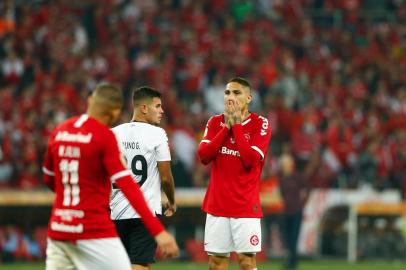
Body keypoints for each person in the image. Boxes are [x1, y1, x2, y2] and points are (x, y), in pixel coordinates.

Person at [42, 83, 179, 270]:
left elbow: (49, 178)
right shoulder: (105, 137)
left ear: (90, 101)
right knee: (136, 265)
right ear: (114, 112)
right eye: (158, 106)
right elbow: (129, 184)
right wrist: (160, 230)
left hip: (63, 225)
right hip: (96, 225)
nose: (162, 111)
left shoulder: (61, 131)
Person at [197, 77, 272, 270]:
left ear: (249, 98)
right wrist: (226, 128)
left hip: (245, 205)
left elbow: (250, 160)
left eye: (237, 93)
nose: (231, 97)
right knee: (216, 263)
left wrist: (236, 125)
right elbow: (204, 156)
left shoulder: (260, 124)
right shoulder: (215, 122)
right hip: (217, 205)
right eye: (227, 92)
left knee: (246, 262)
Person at [110, 86, 176, 270]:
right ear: (144, 108)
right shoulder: (157, 134)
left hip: (116, 212)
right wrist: (171, 199)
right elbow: (166, 178)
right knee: (140, 264)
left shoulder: (113, 133)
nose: (162, 111)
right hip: (143, 211)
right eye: (158, 106)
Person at [278, 150, 310, 270]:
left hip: (296, 211)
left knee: (294, 237)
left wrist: (302, 204)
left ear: (291, 165)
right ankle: (289, 260)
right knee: (286, 237)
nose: (284, 166)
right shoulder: (281, 178)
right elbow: (280, 193)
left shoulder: (297, 177)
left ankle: (293, 261)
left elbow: (307, 190)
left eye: (286, 164)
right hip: (285, 211)